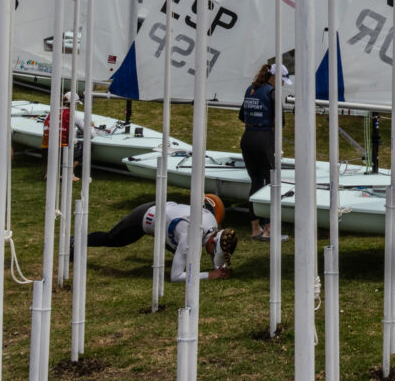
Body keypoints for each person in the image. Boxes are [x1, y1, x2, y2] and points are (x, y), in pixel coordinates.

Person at [86, 193, 236, 282]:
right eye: (214, 251)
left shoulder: (213, 226)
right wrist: (209, 275)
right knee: (112, 239)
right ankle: (77, 241)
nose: (212, 254)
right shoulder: (190, 237)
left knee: (187, 255)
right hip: (144, 216)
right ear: (212, 240)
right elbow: (176, 276)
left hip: (165, 216)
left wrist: (220, 269)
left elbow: (215, 248)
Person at [240, 63, 279, 240]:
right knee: (271, 183)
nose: (281, 84)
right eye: (281, 80)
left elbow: (242, 115)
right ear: (273, 77)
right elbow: (280, 120)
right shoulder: (272, 92)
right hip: (264, 140)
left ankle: (255, 229)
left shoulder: (251, 89)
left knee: (255, 182)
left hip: (247, 138)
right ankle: (269, 229)